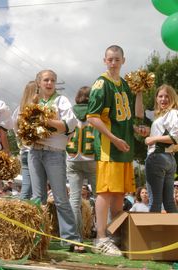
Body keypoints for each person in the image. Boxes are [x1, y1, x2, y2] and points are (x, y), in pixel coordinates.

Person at [87, 45, 144, 256]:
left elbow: (134, 115)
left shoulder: (125, 85)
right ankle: (100, 237)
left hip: (124, 147)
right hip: (109, 147)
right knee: (105, 191)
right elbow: (92, 118)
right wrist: (114, 138)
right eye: (110, 59)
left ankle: (114, 233)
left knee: (120, 194)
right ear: (104, 60)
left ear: (123, 61)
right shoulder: (102, 84)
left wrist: (136, 128)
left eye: (117, 59)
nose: (113, 63)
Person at [27, 69, 82, 252]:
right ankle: (37, 238)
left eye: (52, 80)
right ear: (39, 83)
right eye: (46, 80)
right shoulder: (32, 102)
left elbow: (69, 125)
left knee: (60, 198)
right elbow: (24, 127)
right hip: (34, 151)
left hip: (54, 152)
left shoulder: (61, 100)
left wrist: (45, 121)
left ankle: (71, 239)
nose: (49, 83)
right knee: (37, 198)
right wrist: (52, 123)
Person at [66, 86, 97, 243]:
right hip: (92, 158)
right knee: (100, 198)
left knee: (74, 200)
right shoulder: (95, 112)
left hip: (72, 158)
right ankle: (103, 235)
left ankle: (76, 237)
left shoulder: (69, 111)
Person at [144, 84, 178, 213]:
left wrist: (153, 139)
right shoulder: (163, 115)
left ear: (172, 98)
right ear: (156, 99)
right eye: (160, 96)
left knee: (155, 201)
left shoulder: (173, 112)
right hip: (169, 159)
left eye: (167, 96)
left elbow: (175, 136)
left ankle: (152, 233)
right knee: (169, 202)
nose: (163, 99)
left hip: (157, 157)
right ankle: (173, 233)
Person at [12, 81, 36, 200]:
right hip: (34, 151)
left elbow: (15, 129)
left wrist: (21, 143)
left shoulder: (18, 110)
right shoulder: (36, 109)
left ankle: (23, 210)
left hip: (23, 151)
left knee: (27, 186)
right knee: (36, 188)